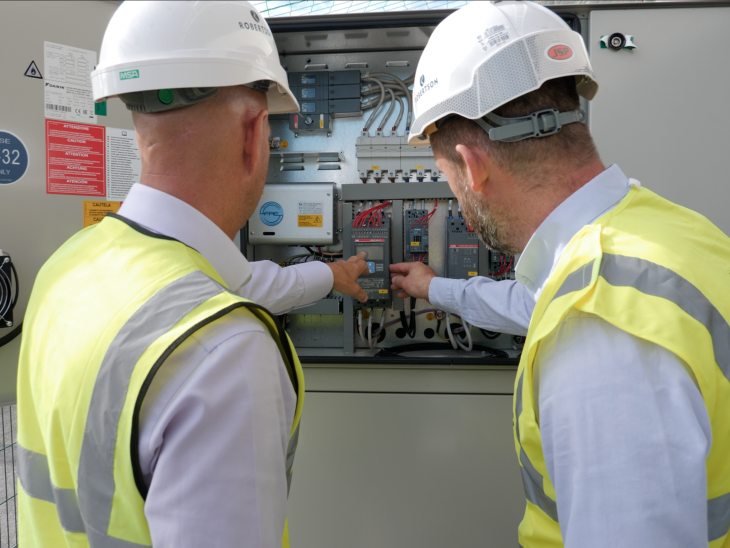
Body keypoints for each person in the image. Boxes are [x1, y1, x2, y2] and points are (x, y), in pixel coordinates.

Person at [16, 2, 368, 547]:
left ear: (138, 125)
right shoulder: (224, 352)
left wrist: (330, 275)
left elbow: (239, 283)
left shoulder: (66, 267)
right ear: (255, 134)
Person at [390, 2, 730, 547]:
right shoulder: (668, 234)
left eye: (444, 175)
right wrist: (435, 289)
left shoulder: (597, 327)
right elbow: (536, 301)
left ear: (471, 167)